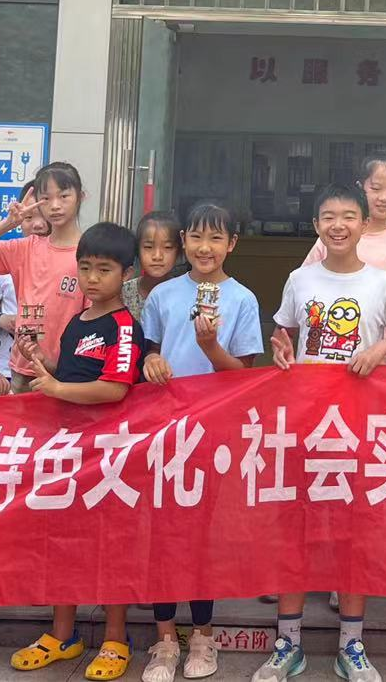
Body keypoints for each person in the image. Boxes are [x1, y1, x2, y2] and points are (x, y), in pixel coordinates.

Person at [257, 184, 386, 682]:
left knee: (353, 533)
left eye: (349, 215)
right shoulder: (300, 278)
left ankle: (352, 644)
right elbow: (283, 331)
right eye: (329, 216)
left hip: (358, 424)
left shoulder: (381, 283)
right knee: (295, 529)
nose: (339, 225)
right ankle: (288, 643)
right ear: (316, 225)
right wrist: (281, 347)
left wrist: (381, 350)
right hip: (306, 422)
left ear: (363, 224)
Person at [11, 223, 149, 682]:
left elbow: (113, 389)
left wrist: (56, 387)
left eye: (104, 269)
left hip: (110, 454)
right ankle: (62, 635)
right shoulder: (77, 321)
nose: (92, 278)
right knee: (62, 543)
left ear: (126, 273)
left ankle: (115, 639)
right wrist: (41, 360)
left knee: (112, 547)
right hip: (67, 449)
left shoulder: (124, 326)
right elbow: (68, 373)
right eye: (85, 267)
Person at [140, 201, 263, 682]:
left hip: (213, 432)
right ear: (183, 242)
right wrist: (150, 362)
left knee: (202, 536)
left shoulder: (243, 299)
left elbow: (243, 375)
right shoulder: (163, 295)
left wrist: (211, 346)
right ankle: (165, 639)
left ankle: (203, 636)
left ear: (232, 244)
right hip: (164, 428)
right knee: (162, 535)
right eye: (195, 237)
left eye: (215, 238)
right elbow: (149, 353)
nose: (204, 247)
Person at [301, 150, 386, 367]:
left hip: (380, 366)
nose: (383, 197)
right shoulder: (334, 238)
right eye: (375, 188)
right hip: (325, 359)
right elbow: (303, 295)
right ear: (360, 188)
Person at [0, 162, 85, 393]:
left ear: (80, 197)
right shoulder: (27, 247)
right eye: (46, 199)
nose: (55, 206)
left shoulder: (88, 251)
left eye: (63, 196)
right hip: (24, 366)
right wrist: (9, 223)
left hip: (69, 368)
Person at [0, 182, 49, 379]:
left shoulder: (70, 261)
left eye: (44, 215)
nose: (37, 224)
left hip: (54, 366)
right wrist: (0, 319)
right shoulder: (7, 259)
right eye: (28, 217)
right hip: (7, 368)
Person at [126, 210, 181, 320]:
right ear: (137, 250)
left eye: (167, 247)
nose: (157, 256)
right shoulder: (121, 293)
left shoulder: (184, 294)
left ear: (178, 251)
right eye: (148, 247)